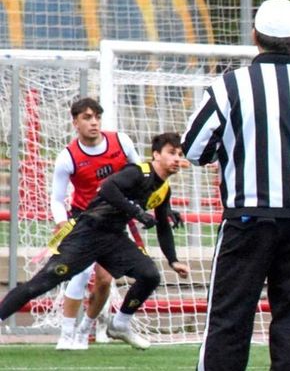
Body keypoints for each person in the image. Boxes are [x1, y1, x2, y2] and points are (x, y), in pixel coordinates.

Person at [181, 0, 290, 371]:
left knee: (229, 318)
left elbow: (193, 150)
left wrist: (232, 148)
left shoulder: (230, 86)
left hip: (249, 217)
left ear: (254, 37)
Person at [0, 132, 191, 350]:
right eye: (171, 153)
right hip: (87, 233)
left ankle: (120, 324)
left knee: (149, 275)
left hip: (114, 238)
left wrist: (173, 260)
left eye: (179, 154)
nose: (177, 158)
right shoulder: (137, 172)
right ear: (156, 154)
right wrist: (137, 213)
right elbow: (107, 188)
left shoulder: (164, 188)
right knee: (42, 283)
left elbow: (163, 226)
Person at [48, 97, 143, 350]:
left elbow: (141, 171)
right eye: (87, 117)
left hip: (114, 221)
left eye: (97, 117)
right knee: (78, 274)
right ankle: (66, 334)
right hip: (84, 220)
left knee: (104, 279)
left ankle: (84, 330)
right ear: (75, 123)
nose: (93, 122)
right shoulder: (67, 156)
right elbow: (57, 199)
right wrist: (60, 222)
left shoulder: (121, 142)